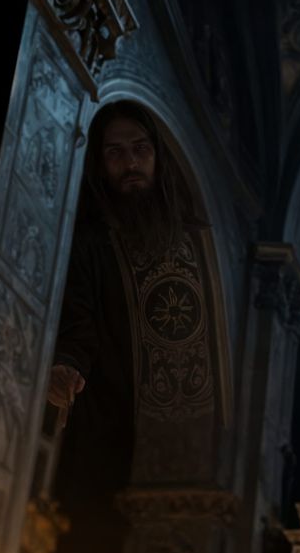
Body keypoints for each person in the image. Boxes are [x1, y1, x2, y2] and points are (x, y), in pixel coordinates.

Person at [49, 101, 217, 484]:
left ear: (157, 155)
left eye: (140, 149)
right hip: (103, 421)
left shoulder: (197, 244)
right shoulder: (89, 239)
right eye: (115, 153)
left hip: (181, 442)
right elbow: (78, 318)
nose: (130, 164)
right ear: (100, 162)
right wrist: (66, 365)